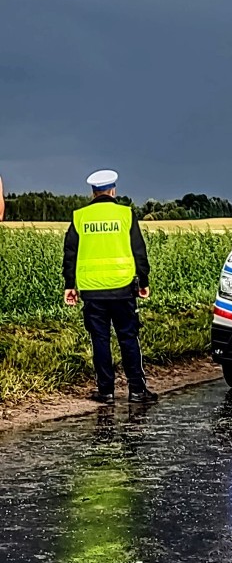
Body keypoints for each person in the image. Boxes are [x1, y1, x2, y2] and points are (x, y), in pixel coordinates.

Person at [63, 170, 158, 404]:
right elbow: (139, 251)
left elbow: (70, 254)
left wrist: (69, 285)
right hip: (123, 288)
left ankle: (105, 391)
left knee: (100, 340)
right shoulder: (126, 214)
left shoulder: (80, 217)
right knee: (128, 338)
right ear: (113, 191)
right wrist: (143, 282)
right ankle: (137, 390)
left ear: (93, 193)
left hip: (92, 291)